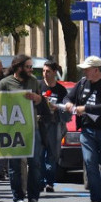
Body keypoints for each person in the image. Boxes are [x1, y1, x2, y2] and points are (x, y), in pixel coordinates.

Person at [0, 54, 50, 202]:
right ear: (18, 67)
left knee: (35, 165)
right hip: (13, 131)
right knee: (15, 166)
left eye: (31, 67)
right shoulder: (5, 83)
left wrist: (37, 98)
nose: (30, 69)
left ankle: (33, 198)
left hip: (32, 129)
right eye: (27, 67)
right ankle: (18, 198)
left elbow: (41, 102)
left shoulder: (33, 81)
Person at [64, 56, 101, 202]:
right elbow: (69, 96)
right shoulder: (82, 83)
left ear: (96, 70)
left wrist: (86, 108)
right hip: (87, 131)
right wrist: (69, 103)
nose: (85, 72)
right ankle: (96, 199)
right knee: (90, 163)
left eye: (87, 69)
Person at [39, 61, 69, 193]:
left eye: (48, 71)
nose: (45, 74)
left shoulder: (61, 90)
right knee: (39, 154)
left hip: (54, 124)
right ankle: (39, 181)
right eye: (44, 71)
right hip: (39, 123)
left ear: (55, 73)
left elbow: (66, 107)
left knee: (52, 154)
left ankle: (49, 182)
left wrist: (57, 107)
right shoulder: (38, 86)